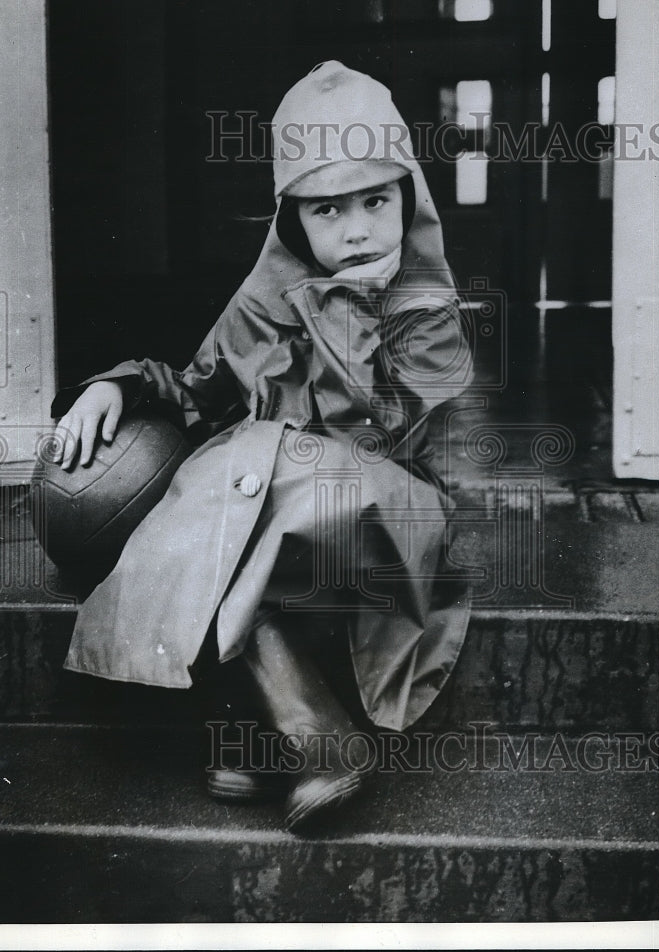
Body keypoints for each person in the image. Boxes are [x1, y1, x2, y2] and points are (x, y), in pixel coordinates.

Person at [52, 61, 474, 832]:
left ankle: (285, 736)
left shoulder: (428, 308)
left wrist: (350, 301)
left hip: (378, 512)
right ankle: (285, 733)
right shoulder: (263, 299)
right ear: (291, 221)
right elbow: (198, 386)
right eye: (325, 211)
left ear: (408, 197)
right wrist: (116, 386)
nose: (354, 230)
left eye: (375, 201)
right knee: (223, 478)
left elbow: (385, 428)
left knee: (269, 473)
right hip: (272, 509)